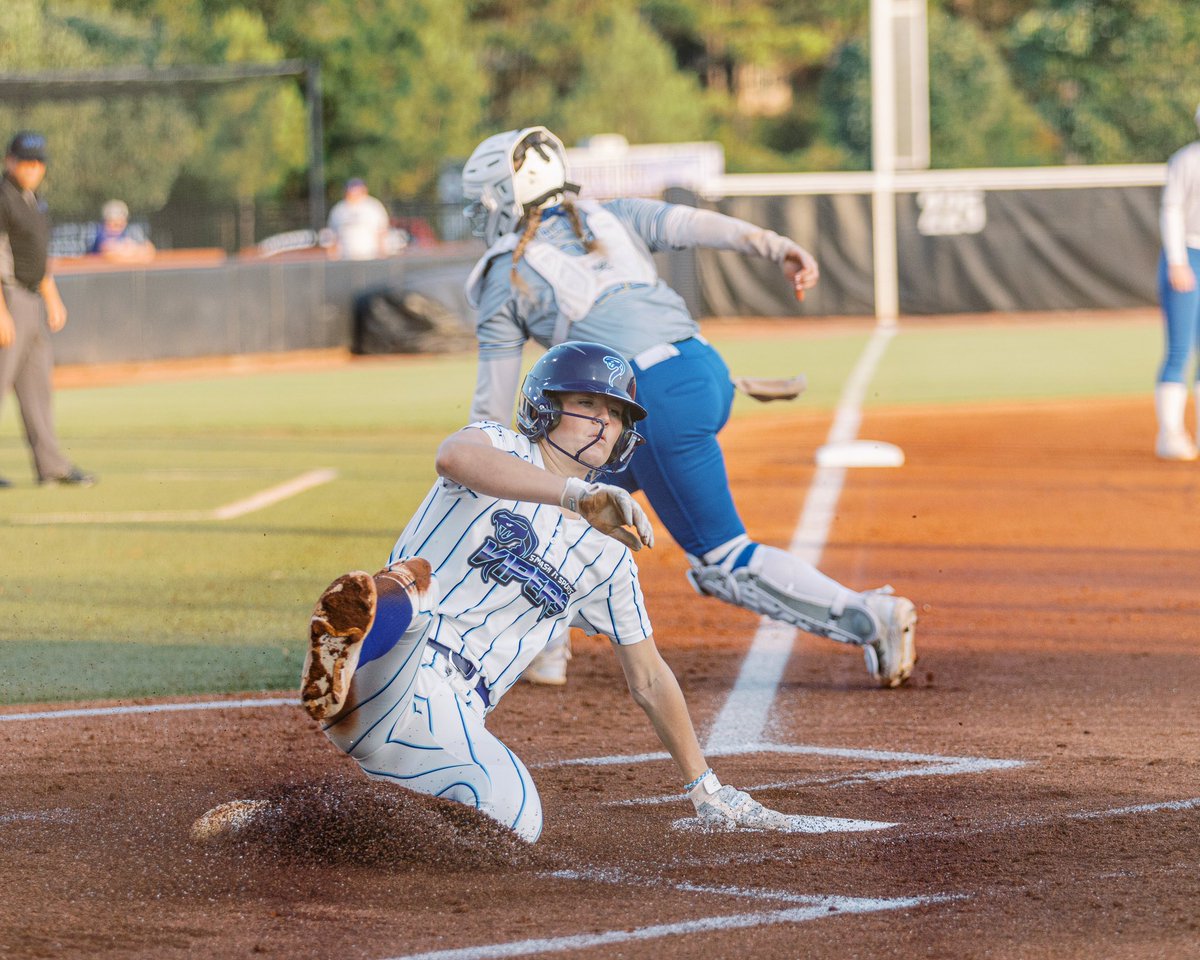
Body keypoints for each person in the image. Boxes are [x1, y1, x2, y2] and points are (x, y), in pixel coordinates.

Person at [191, 341, 797, 844]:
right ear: (543, 408)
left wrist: (705, 788)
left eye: (616, 415)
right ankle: (347, 635)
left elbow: (648, 677)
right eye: (588, 404)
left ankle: (280, 821)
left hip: (448, 718)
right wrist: (574, 497)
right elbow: (454, 457)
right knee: (411, 595)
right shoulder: (500, 445)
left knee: (512, 826)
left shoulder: (610, 554)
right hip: (390, 658)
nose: (605, 423)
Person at [460, 126, 915, 689]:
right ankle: (545, 645)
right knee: (566, 504)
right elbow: (696, 224)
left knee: (721, 560)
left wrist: (481, 469)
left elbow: (489, 409)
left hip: (648, 402)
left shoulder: (504, 274)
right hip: (701, 370)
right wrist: (777, 245)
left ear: (500, 198)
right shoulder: (609, 214)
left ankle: (870, 617)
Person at [0, 131, 95, 488]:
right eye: (26, 161)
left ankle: (51, 466)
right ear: (10, 161)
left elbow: (37, 255)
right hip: (7, 298)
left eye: (38, 162)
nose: (33, 168)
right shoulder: (3, 196)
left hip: (31, 300)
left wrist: (51, 295)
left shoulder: (34, 200)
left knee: (37, 385)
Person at [1154, 103, 1200, 461]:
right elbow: (1171, 209)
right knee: (1179, 349)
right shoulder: (1188, 160)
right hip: (1188, 255)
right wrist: (1177, 261)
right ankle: (1170, 434)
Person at [326, 177, 390, 260]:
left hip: (370, 255)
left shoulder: (373, 206)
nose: (354, 193)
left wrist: (382, 253)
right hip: (346, 256)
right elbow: (333, 235)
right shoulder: (339, 209)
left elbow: (382, 231)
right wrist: (333, 256)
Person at [87, 199, 155, 264]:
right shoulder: (101, 234)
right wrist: (134, 254)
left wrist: (128, 252)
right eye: (114, 223)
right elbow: (110, 256)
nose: (118, 226)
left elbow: (150, 251)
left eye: (121, 222)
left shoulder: (131, 231)